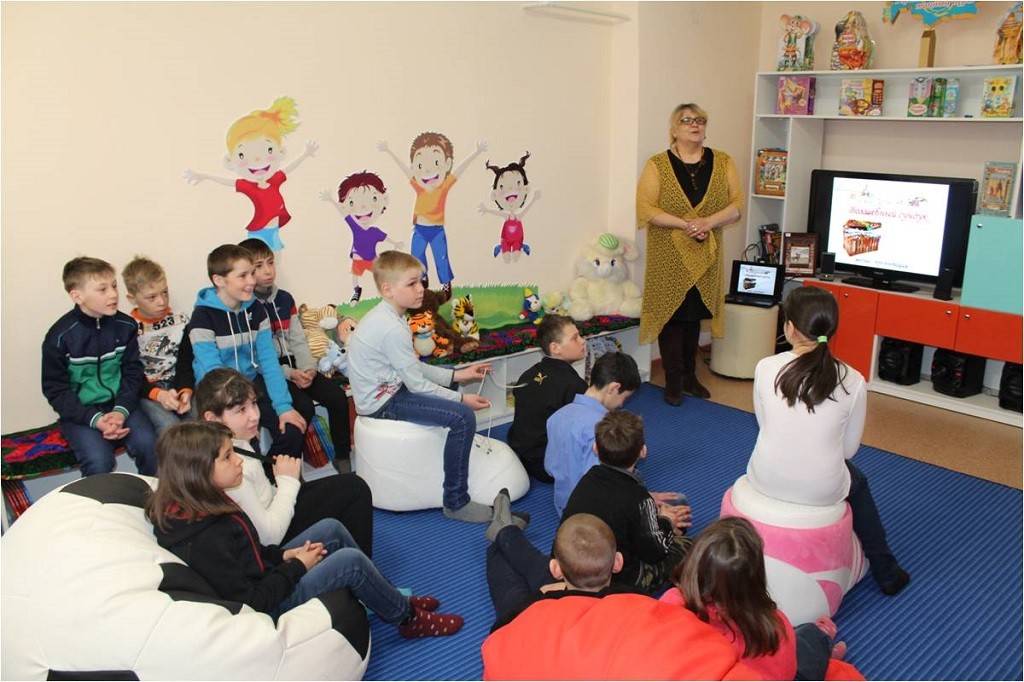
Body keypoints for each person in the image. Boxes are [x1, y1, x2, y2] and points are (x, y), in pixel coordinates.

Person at [147, 421, 462, 637]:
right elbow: (253, 601)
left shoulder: (205, 503)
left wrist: (283, 555)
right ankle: (408, 619)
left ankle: (389, 597)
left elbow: (250, 552)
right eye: (228, 457)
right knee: (350, 563)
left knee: (330, 528)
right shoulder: (205, 536)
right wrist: (297, 566)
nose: (238, 461)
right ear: (199, 471)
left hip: (268, 578)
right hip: (268, 606)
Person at [746, 285, 910, 596]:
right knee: (857, 482)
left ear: (789, 328)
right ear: (831, 330)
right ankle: (887, 571)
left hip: (764, 477)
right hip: (821, 489)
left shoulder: (765, 367)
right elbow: (848, 451)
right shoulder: (853, 379)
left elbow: (764, 425)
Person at [481, 509, 759, 681]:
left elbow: (502, 629)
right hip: (567, 593)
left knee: (511, 581)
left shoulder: (539, 600)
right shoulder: (634, 596)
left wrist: (545, 596)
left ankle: (501, 538)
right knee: (521, 577)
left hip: (544, 605)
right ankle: (503, 535)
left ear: (557, 570)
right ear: (617, 562)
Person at [347, 250, 508, 524]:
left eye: (421, 281)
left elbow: (410, 366)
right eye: (412, 283)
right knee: (463, 417)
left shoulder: (389, 317)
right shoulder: (391, 328)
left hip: (389, 390)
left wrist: (456, 375)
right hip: (382, 403)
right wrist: (462, 400)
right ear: (387, 289)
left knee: (453, 395)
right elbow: (417, 384)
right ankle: (456, 501)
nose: (421, 289)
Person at [195, 367, 374, 554]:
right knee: (355, 490)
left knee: (352, 485)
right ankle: (356, 567)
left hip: (275, 506)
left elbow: (265, 495)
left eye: (253, 403)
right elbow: (268, 538)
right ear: (212, 418)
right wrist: (287, 481)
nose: (255, 415)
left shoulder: (231, 443)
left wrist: (282, 486)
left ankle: (349, 559)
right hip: (276, 537)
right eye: (241, 410)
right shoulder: (230, 469)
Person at [636, 103, 744, 406]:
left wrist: (708, 223)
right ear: (674, 130)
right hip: (668, 253)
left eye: (700, 120)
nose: (694, 124)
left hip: (705, 251)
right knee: (671, 315)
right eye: (686, 120)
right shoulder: (658, 164)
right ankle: (673, 379)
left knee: (694, 314)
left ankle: (689, 377)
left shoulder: (723, 161)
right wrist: (687, 225)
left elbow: (736, 205)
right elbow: (646, 208)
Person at [661, 517, 845, 680]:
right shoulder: (773, 629)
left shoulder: (671, 602)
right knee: (810, 638)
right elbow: (785, 675)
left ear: (694, 563)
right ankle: (823, 642)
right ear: (755, 578)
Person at [239, 238, 353, 471]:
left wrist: (309, 368)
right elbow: (258, 358)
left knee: (336, 397)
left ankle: (342, 457)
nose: (268, 271)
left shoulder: (285, 299)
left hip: (299, 365)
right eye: (259, 266)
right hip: (274, 371)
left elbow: (298, 339)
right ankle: (289, 467)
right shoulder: (245, 307)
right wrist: (290, 374)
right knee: (303, 407)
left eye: (270, 263)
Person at [189, 244, 307, 460]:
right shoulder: (202, 317)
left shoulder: (256, 309)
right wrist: (242, 413)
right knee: (246, 448)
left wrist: (283, 407)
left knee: (292, 429)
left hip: (251, 383)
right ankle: (261, 472)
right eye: (243, 276)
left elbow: (268, 361)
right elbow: (213, 374)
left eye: (252, 273)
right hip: (219, 395)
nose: (252, 281)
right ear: (219, 280)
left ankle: (274, 474)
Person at [41, 257, 157, 476]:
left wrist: (120, 411)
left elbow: (133, 373)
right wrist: (95, 420)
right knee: (99, 461)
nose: (113, 294)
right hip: (81, 412)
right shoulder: (60, 337)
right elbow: (56, 390)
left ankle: (153, 496)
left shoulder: (126, 326)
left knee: (149, 445)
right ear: (77, 296)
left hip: (122, 404)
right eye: (103, 289)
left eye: (114, 286)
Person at [561, 411, 692, 593]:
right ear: (643, 451)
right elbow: (654, 553)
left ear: (595, 448)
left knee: (674, 505)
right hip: (621, 578)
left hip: (576, 566)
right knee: (694, 546)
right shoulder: (640, 499)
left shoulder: (586, 480)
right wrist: (666, 522)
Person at [183, 96, 318, 251]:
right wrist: (204, 176)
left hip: (274, 230)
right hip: (259, 232)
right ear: (229, 161)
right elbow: (228, 182)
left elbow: (289, 168)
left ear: (281, 152)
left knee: (274, 259)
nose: (258, 159)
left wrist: (305, 154)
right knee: (258, 260)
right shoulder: (249, 186)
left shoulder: (275, 180)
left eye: (268, 150)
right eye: (242, 155)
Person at [377, 133, 487, 294]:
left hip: (437, 230)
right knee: (416, 256)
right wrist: (389, 151)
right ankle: (423, 277)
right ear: (414, 168)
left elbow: (459, 171)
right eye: (421, 166)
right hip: (420, 229)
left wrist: (476, 152)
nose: (428, 170)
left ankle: (446, 284)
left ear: (447, 164)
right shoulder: (418, 186)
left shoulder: (444, 186)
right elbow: (404, 170)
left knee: (441, 257)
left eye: (436, 163)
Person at [544, 351, 640, 516]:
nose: (622, 404)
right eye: (625, 397)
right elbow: (601, 482)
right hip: (591, 512)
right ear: (614, 388)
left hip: (563, 504)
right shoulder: (604, 428)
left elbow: (549, 467)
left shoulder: (557, 416)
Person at [506, 314, 587, 482]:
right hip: (548, 466)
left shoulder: (528, 374)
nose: (582, 341)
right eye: (575, 338)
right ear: (555, 348)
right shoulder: (575, 386)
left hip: (522, 457)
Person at [121, 255, 197, 435]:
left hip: (179, 382)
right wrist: (158, 394)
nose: (162, 301)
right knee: (170, 428)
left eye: (165, 292)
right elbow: (130, 373)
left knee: (199, 422)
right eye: (151, 297)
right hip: (148, 390)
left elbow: (186, 362)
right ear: (132, 298)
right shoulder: (127, 328)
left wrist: (185, 391)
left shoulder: (180, 320)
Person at [319, 170, 403, 306]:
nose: (363, 207)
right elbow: (343, 212)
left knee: (380, 276)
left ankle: (387, 293)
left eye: (372, 199)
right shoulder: (355, 227)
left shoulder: (374, 231)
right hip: (358, 258)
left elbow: (385, 237)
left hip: (372, 259)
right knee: (355, 276)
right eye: (353, 202)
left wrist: (396, 243)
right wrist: (331, 200)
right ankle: (357, 291)